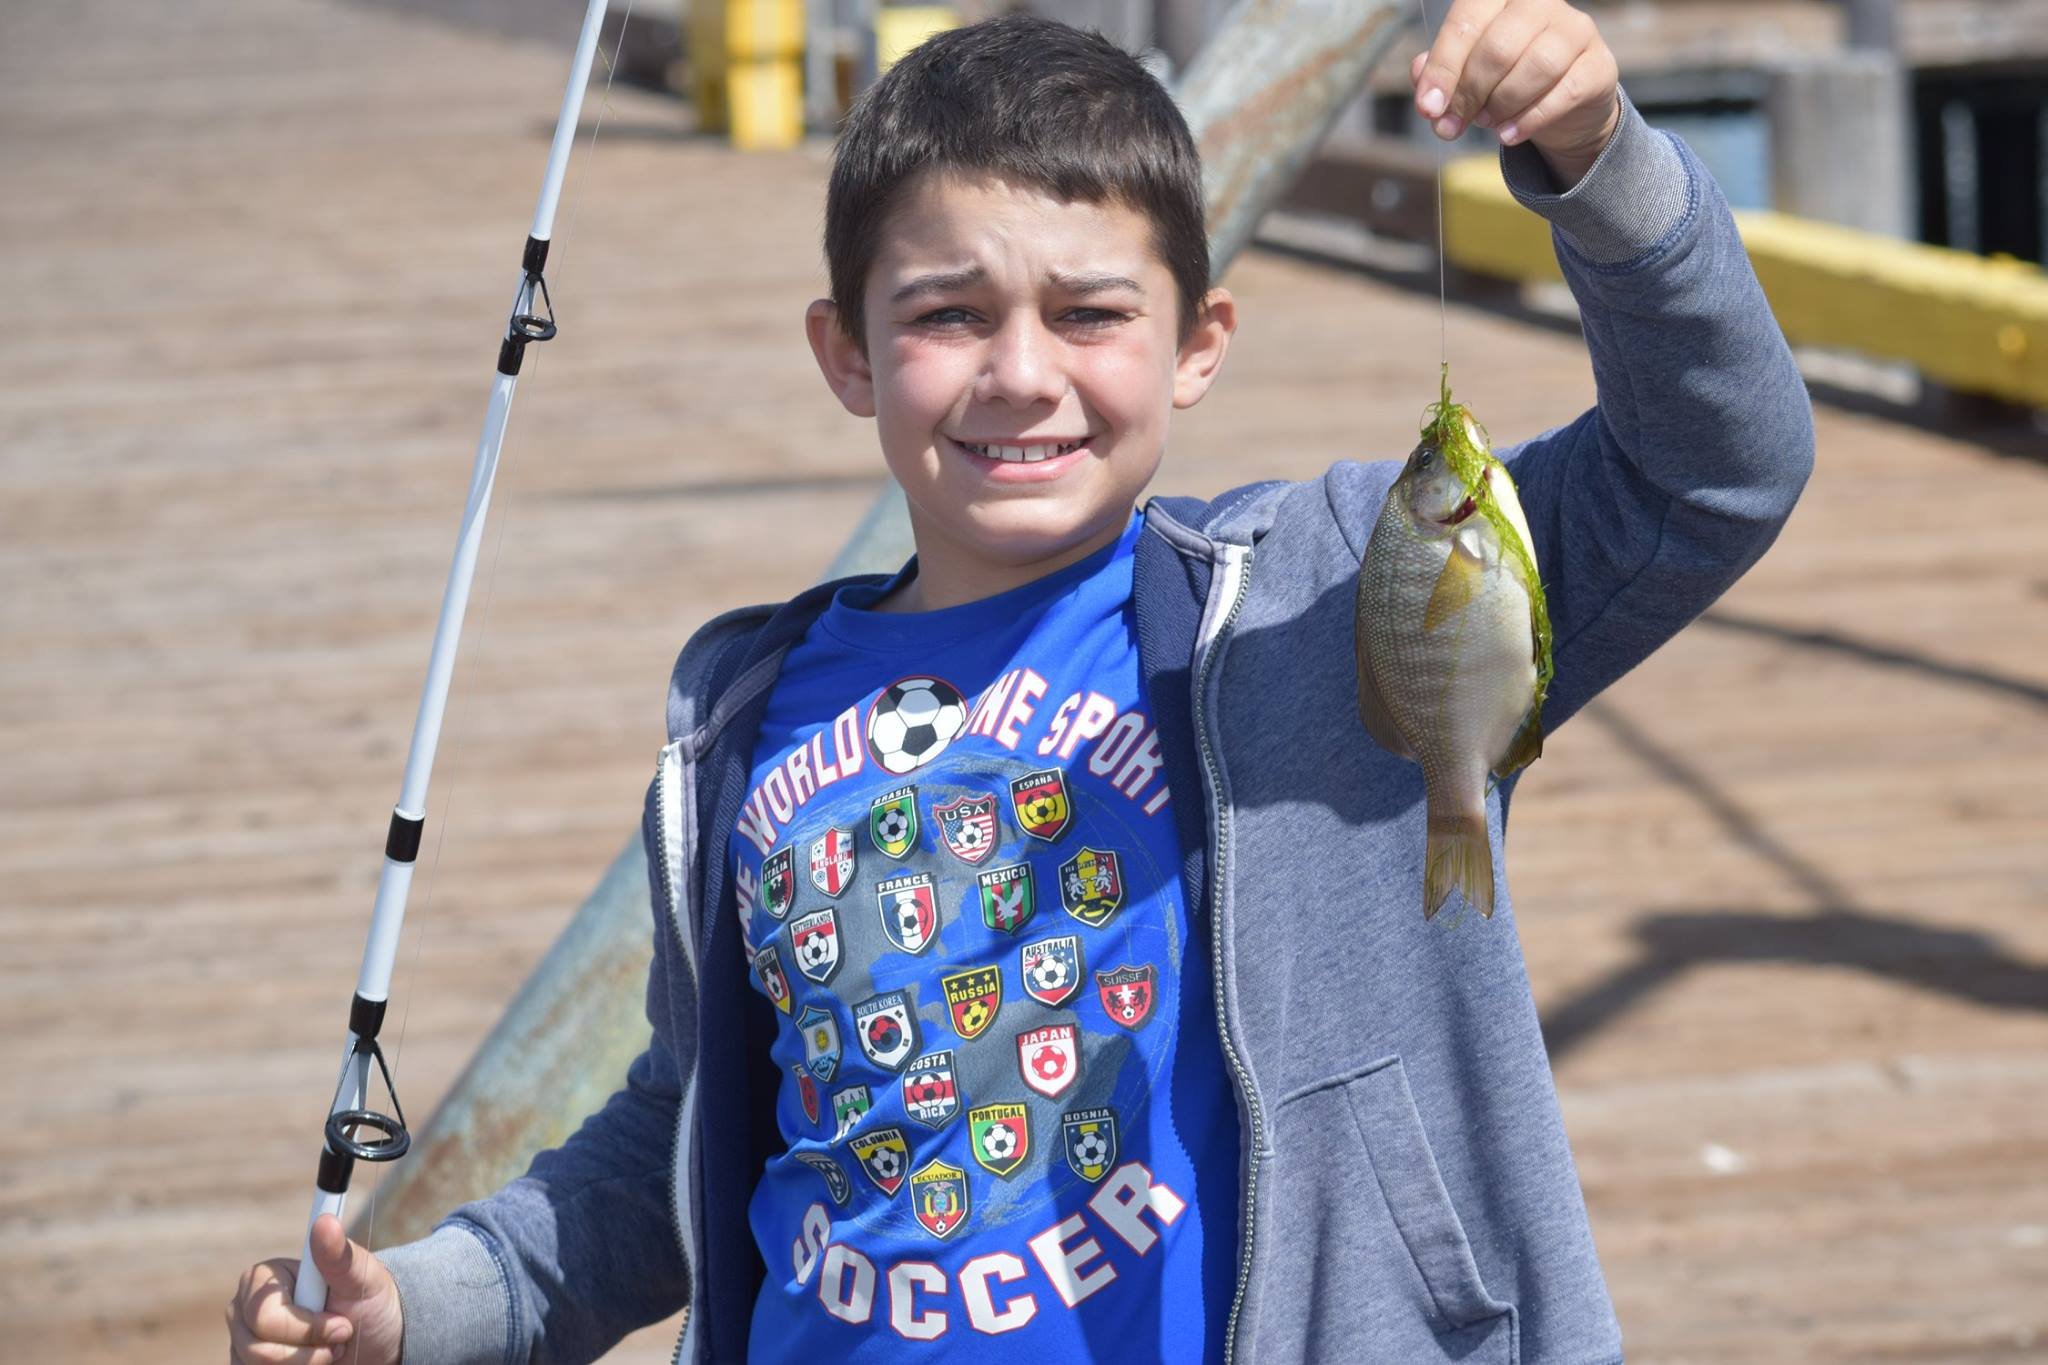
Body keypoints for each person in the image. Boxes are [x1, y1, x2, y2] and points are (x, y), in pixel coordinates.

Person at [228, 6, 1813, 1362]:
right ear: (847, 354)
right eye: (946, 315)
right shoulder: (744, 716)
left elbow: (1717, 465)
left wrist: (1602, 166)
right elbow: (682, 1140)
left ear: (1201, 343)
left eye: (1091, 311)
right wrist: (425, 1304)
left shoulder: (1339, 592)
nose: (1024, 371)